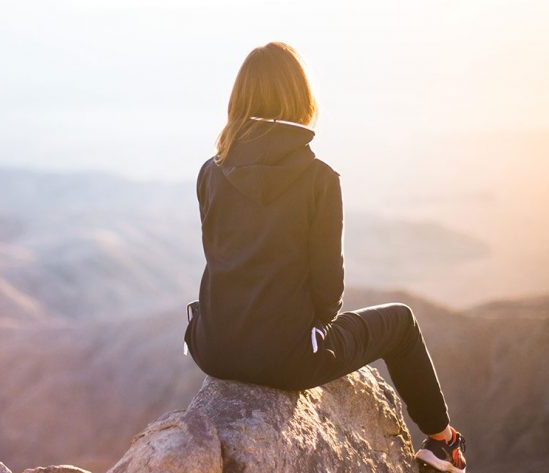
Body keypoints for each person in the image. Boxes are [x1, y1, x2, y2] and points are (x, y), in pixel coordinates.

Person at [182, 41, 468, 473]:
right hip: (287, 359)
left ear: (239, 100)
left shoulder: (210, 170)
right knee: (402, 322)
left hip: (212, 347)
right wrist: (306, 332)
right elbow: (329, 291)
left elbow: (220, 257)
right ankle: (442, 442)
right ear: (301, 99)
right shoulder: (319, 179)